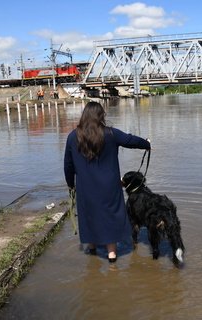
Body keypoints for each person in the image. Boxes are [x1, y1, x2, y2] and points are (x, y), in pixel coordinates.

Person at [64, 101, 151, 263]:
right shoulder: (111, 134)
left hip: (85, 187)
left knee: (89, 215)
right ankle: (112, 255)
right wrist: (147, 143)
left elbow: (68, 165)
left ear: (84, 116)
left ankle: (92, 247)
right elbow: (130, 140)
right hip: (110, 186)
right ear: (101, 116)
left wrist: (71, 184)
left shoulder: (72, 137)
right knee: (110, 216)